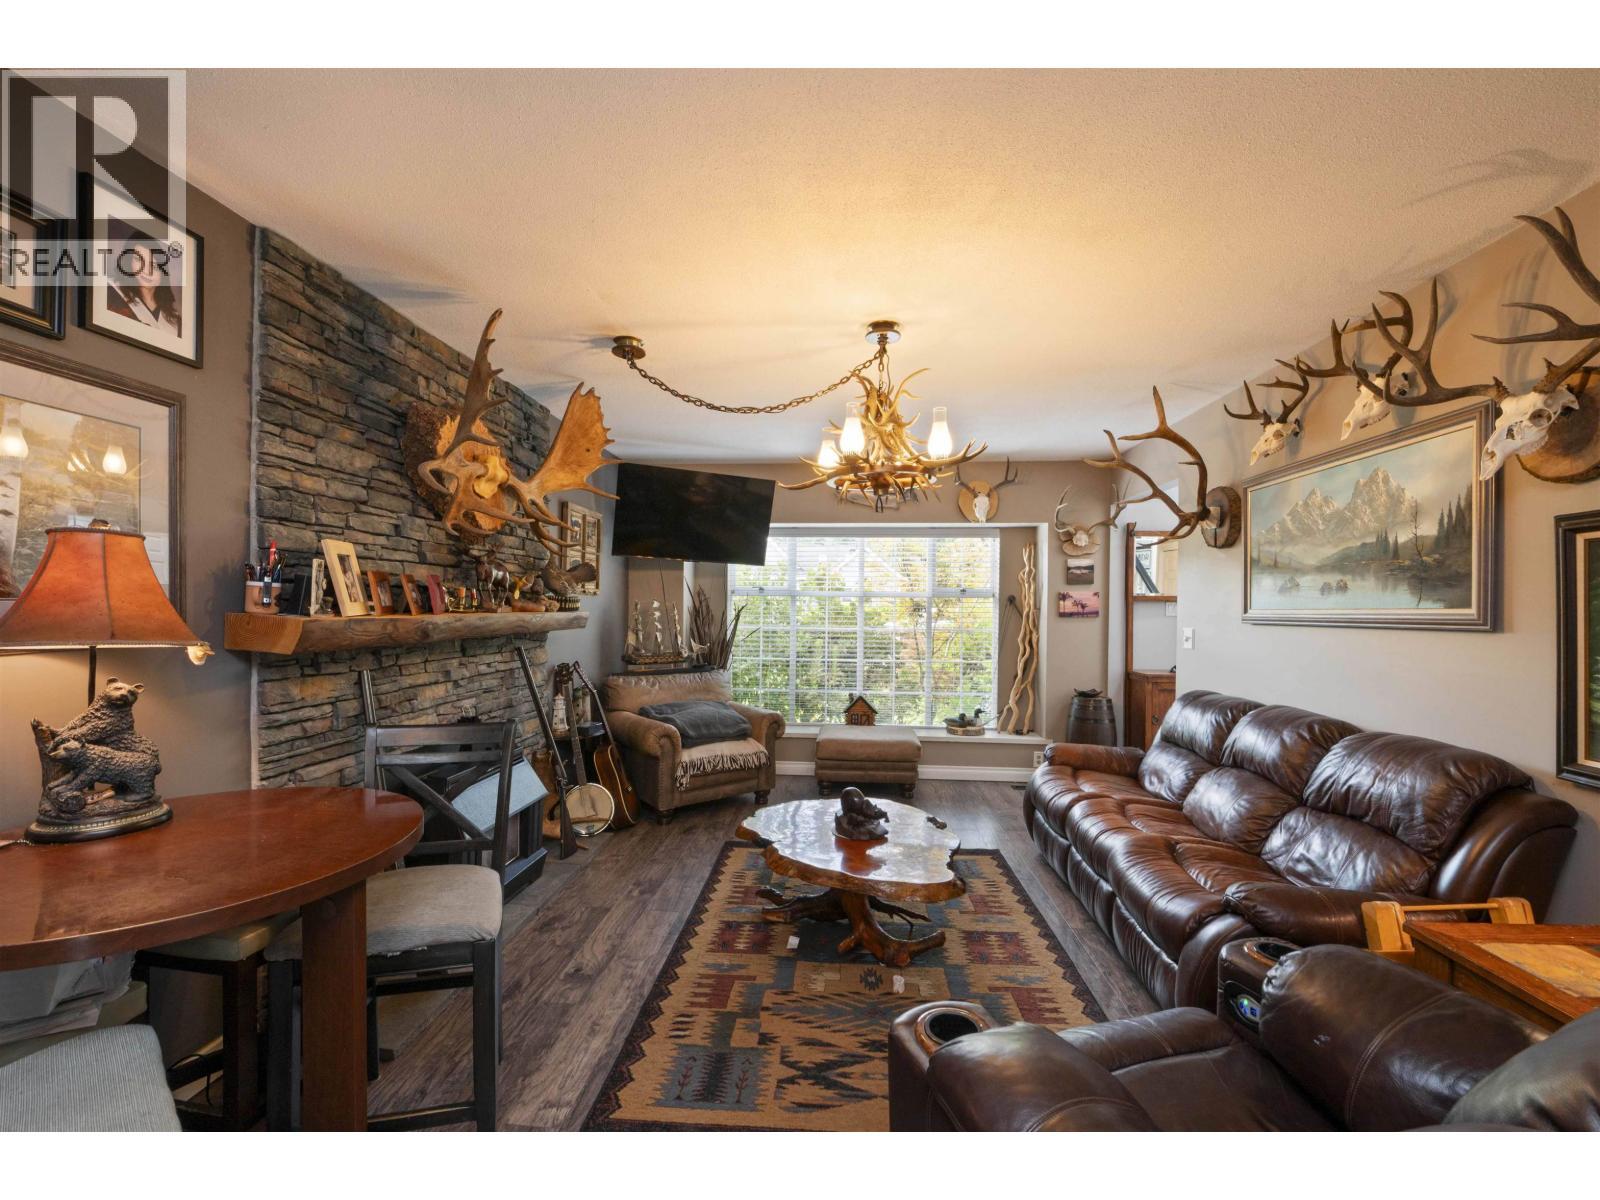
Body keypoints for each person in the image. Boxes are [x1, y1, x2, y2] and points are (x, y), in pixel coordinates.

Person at [104, 228, 182, 336]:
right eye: (139, 260)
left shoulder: (175, 321)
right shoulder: (112, 295)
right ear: (128, 261)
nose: (146, 271)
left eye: (154, 266)